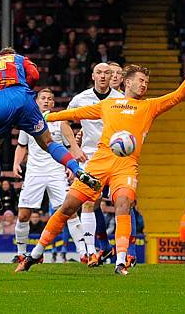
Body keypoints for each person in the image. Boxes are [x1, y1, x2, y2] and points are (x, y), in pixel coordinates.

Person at [17, 48, 185, 275]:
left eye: (147, 82)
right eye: (141, 81)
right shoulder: (108, 105)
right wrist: (48, 116)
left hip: (126, 165)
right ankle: (35, 254)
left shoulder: (149, 107)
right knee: (68, 207)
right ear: (128, 83)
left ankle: (120, 260)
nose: (144, 85)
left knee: (123, 205)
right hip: (98, 163)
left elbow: (178, 96)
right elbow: (75, 114)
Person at [0, 47, 100, 212]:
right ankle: (78, 170)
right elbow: (35, 75)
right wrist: (25, 91)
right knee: (49, 142)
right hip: (23, 99)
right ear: (11, 56)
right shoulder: (20, 59)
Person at [57, 63, 124, 267]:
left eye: (107, 73)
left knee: (123, 203)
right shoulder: (81, 98)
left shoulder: (121, 100)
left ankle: (125, 254)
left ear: (112, 75)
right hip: (91, 157)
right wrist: (75, 149)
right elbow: (64, 122)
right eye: (99, 72)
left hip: (116, 156)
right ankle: (91, 251)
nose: (103, 76)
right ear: (93, 75)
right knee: (87, 202)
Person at [12, 88, 87, 263]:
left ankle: (83, 253)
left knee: (69, 211)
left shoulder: (59, 121)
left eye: (50, 99)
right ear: (37, 101)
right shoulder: (27, 121)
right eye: (43, 98)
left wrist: (70, 167)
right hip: (34, 173)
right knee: (23, 215)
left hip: (56, 172)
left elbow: (69, 148)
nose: (46, 101)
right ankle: (21, 253)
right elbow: (22, 146)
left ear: (53, 103)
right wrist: (16, 163)